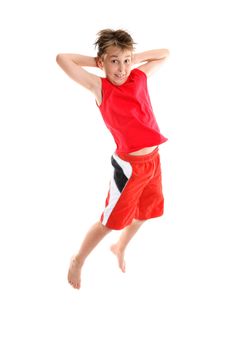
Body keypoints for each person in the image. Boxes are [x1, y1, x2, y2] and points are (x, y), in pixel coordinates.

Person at [56, 29, 169, 289]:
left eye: (125, 61)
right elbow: (62, 58)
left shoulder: (138, 76)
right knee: (111, 222)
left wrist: (133, 58)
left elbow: (165, 54)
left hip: (153, 159)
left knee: (146, 211)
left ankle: (119, 247)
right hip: (130, 167)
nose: (121, 69)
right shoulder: (100, 87)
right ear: (103, 63)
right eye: (114, 61)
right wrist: (96, 61)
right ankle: (78, 259)